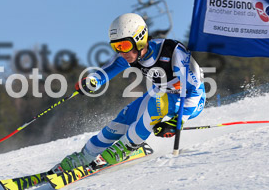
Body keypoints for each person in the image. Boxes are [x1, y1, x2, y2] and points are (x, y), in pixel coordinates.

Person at [55, 12, 206, 172]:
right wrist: (93, 81)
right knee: (123, 118)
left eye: (124, 46)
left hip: (188, 101)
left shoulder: (172, 52)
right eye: (116, 47)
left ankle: (126, 147)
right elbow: (109, 69)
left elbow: (195, 91)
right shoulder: (131, 56)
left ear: (140, 39)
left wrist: (178, 121)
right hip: (161, 93)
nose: (122, 52)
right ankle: (87, 155)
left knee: (157, 102)